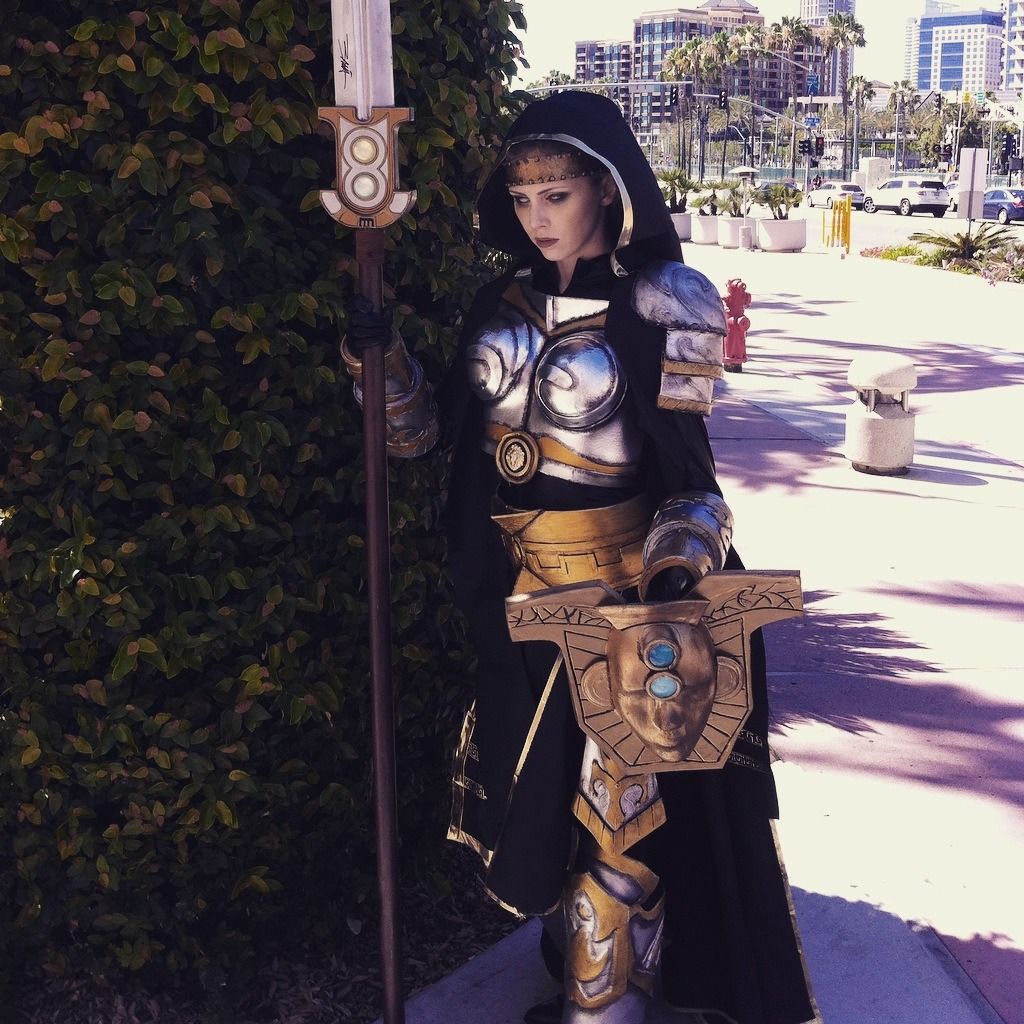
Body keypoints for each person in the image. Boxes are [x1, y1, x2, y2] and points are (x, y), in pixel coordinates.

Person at [344, 92, 817, 1024]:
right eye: (522, 199)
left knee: (619, 810)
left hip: (625, 603)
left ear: (605, 189)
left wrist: (673, 578)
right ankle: (582, 968)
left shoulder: (667, 303)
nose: (537, 216)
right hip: (515, 600)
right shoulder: (496, 305)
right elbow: (423, 437)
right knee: (542, 809)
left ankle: (605, 1008)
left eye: (555, 195)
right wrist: (379, 360)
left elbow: (694, 483)